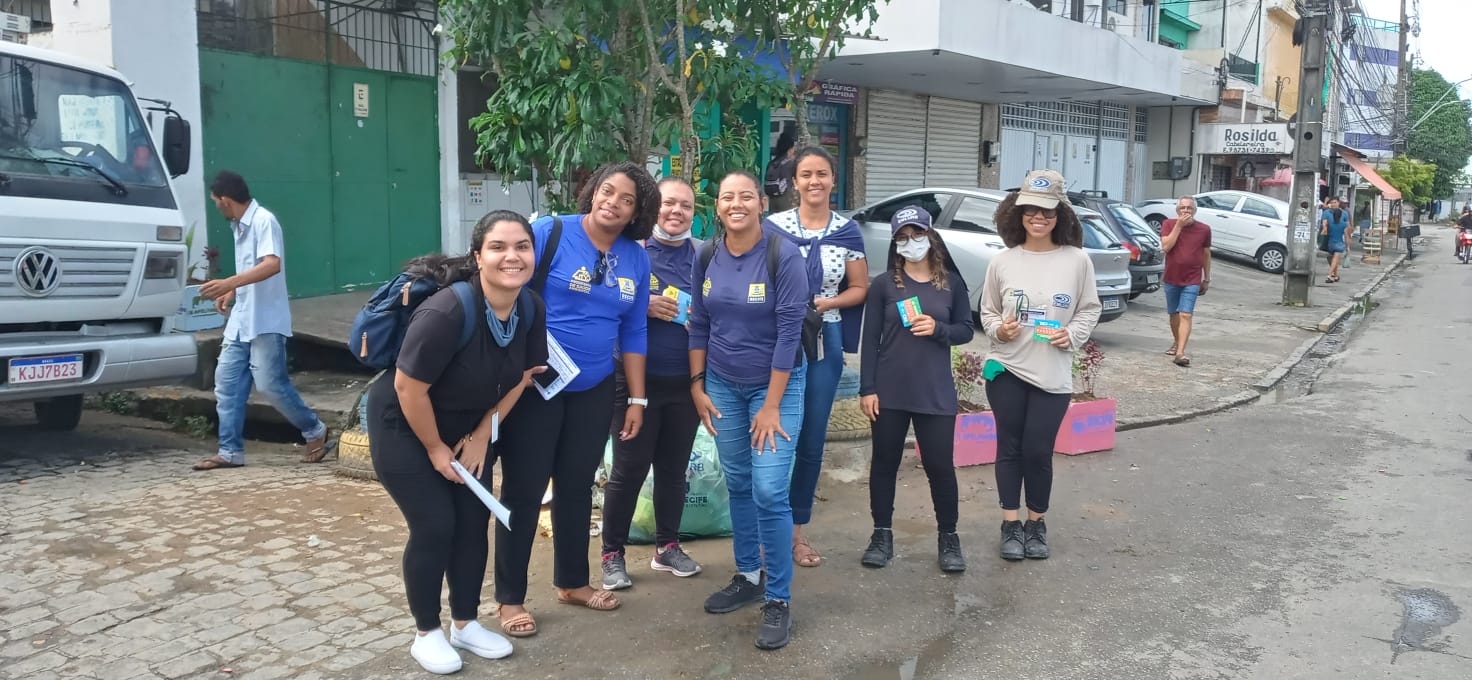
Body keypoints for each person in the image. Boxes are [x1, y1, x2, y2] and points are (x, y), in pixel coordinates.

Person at [367, 211, 546, 674]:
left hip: (467, 429)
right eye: (499, 247)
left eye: (522, 246)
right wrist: (433, 448)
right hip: (404, 426)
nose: (512, 256)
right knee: (435, 525)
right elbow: (409, 388)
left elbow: (522, 377)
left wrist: (482, 435)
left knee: (472, 521)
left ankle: (465, 624)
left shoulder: (529, 307)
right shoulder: (449, 311)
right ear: (478, 256)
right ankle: (426, 632)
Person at [493, 161, 658, 635]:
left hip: (594, 387)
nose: (614, 203)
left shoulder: (635, 257)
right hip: (535, 387)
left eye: (627, 200)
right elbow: (505, 285)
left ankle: (572, 582)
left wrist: (638, 399)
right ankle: (509, 599)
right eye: (608, 192)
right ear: (592, 192)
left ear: (636, 212)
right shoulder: (550, 231)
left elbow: (634, 327)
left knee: (577, 486)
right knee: (524, 490)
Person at [689, 170, 809, 650]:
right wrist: (698, 385)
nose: (735, 204)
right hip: (721, 383)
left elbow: (788, 332)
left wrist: (772, 405)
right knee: (738, 482)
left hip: (775, 388)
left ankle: (778, 598)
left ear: (761, 202)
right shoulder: (707, 254)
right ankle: (748, 574)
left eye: (745, 196)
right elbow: (699, 321)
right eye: (726, 197)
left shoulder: (784, 255)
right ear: (716, 207)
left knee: (769, 489)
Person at [980, 170, 1101, 562]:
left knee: (1038, 450)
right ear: (1018, 214)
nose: (1038, 217)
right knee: (1010, 448)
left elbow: (1089, 309)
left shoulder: (1077, 260)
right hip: (1007, 370)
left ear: (1060, 215)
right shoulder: (1002, 261)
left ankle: (1037, 523)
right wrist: (1001, 329)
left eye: (1047, 211)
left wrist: (1074, 335)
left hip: (1053, 374)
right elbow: (987, 313)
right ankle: (1010, 524)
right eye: (1030, 209)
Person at [763, 146, 867, 569]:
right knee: (770, 430)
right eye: (806, 174)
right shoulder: (772, 228)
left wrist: (824, 305)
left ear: (832, 179)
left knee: (810, 436)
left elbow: (860, 288)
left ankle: (795, 533)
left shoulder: (847, 231)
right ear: (794, 181)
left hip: (826, 336)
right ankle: (765, 527)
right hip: (775, 336)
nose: (814, 182)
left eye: (822, 173)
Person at [601, 177, 704, 590]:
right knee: (628, 469)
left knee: (674, 470)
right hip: (632, 383)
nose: (676, 212)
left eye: (686, 206)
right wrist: (641, 306)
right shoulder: (629, 251)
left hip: (686, 381)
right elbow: (598, 299)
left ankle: (667, 547)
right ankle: (612, 555)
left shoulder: (704, 255)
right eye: (668, 204)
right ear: (653, 207)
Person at [858, 205, 974, 573]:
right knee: (884, 464)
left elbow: (966, 330)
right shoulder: (883, 285)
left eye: (917, 234)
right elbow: (870, 339)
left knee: (940, 466)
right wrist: (867, 388)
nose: (911, 243)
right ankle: (881, 534)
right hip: (889, 391)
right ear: (895, 242)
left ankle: (949, 537)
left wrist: (938, 330)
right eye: (903, 237)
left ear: (930, 236)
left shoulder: (952, 284)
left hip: (934, 391)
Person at [194, 171, 331, 470]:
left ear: (226, 201)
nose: (217, 207)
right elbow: (252, 269)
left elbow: (271, 265)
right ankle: (230, 452)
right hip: (242, 318)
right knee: (226, 384)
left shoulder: (263, 220)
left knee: (270, 384)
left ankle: (315, 431)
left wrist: (229, 281)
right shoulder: (239, 226)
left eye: (216, 202)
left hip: (266, 319)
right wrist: (232, 291)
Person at [1160, 195, 1211, 368]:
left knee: (1186, 314)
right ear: (1177, 210)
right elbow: (1166, 247)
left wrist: (1207, 278)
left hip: (1193, 278)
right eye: (1183, 208)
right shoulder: (1168, 224)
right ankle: (1177, 343)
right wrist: (1179, 226)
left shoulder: (1204, 229)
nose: (1186, 211)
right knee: (1174, 315)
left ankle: (1181, 352)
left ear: (1195, 211)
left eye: (1189, 208)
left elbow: (1206, 254)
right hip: (1172, 277)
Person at [764, 128, 798, 213]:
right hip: (786, 200)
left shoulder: (772, 163)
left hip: (772, 199)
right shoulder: (790, 163)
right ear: (789, 149)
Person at [1320, 197, 1351, 283]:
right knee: (1332, 259)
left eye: (1335, 202)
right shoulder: (1327, 213)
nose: (1333, 204)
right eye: (1332, 202)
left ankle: (1333, 275)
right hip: (1338, 242)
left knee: (1333, 259)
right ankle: (1332, 275)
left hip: (1331, 241)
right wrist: (1348, 246)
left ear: (1338, 203)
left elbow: (1325, 226)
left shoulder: (1344, 214)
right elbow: (1346, 234)